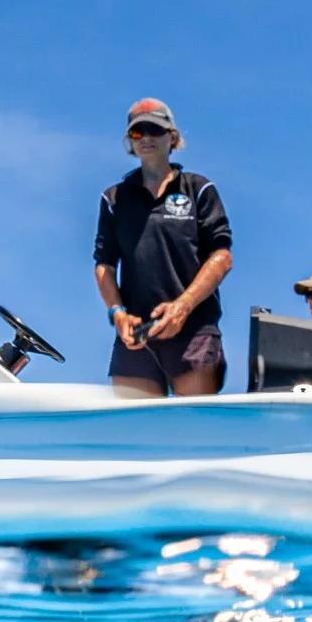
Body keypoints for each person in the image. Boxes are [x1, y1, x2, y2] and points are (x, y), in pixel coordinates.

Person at [94, 98, 232, 398]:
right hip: (136, 335)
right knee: (134, 425)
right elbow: (104, 264)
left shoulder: (199, 189)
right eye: (137, 132)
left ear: (172, 137)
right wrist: (117, 312)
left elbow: (221, 256)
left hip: (193, 330)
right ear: (130, 142)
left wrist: (183, 306)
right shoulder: (114, 199)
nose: (146, 138)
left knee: (195, 422)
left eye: (154, 130)